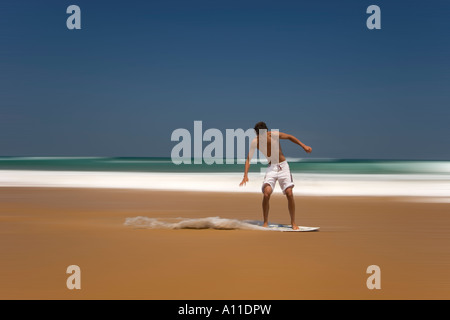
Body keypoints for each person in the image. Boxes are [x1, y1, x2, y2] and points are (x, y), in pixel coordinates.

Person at [239, 122, 312, 230]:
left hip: (283, 167)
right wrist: (245, 175)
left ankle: (293, 222)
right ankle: (265, 222)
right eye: (259, 135)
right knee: (266, 193)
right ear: (256, 133)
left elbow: (290, 137)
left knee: (289, 193)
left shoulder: (274, 135)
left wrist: (303, 146)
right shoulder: (255, 142)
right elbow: (248, 160)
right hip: (271, 168)